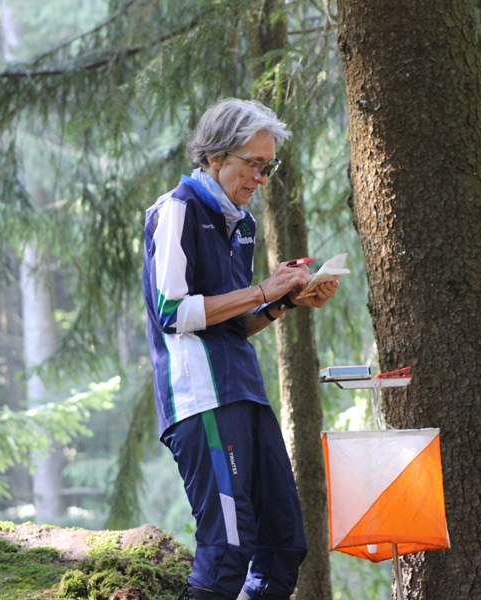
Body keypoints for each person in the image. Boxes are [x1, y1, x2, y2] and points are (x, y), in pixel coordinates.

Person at [142, 98, 339, 600]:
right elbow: (173, 312)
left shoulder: (243, 222)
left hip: (244, 391)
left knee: (284, 545)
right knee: (228, 547)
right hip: (200, 398)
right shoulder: (177, 210)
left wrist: (285, 302)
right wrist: (261, 291)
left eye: (268, 167)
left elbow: (233, 323)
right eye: (254, 164)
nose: (261, 178)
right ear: (214, 156)